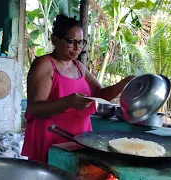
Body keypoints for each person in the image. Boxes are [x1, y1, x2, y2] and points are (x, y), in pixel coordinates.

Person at [21, 14, 135, 163]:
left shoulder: (79, 67)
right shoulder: (45, 65)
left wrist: (125, 82)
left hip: (80, 137)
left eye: (81, 43)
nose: (77, 48)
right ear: (55, 39)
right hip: (51, 136)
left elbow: (101, 94)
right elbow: (34, 108)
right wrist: (67, 102)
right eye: (71, 42)